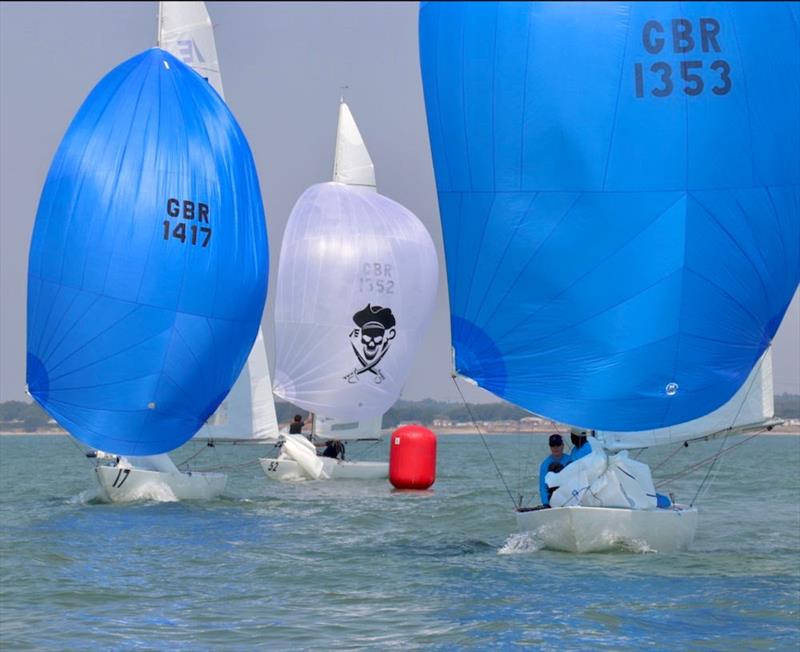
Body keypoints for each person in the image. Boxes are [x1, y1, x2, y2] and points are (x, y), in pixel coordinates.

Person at [539, 433, 571, 507]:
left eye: (558, 445)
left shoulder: (570, 460)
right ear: (550, 447)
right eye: (553, 445)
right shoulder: (545, 464)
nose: (555, 448)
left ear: (563, 445)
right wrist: (545, 503)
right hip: (552, 500)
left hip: (569, 498)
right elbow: (543, 487)